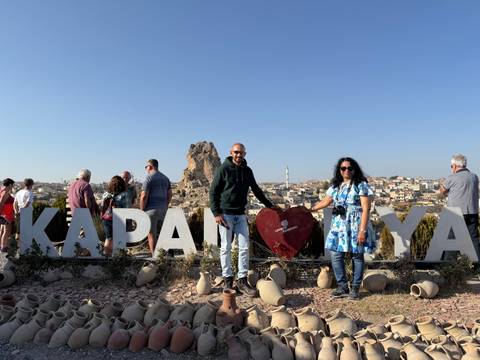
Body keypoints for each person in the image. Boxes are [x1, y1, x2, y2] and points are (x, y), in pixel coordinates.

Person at [209, 143, 276, 297]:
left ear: (245, 154)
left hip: (240, 215)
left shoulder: (247, 171)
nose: (239, 155)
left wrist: (270, 206)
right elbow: (213, 192)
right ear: (231, 153)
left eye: (241, 153)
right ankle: (227, 279)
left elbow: (256, 190)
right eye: (236, 152)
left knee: (244, 247)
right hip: (225, 215)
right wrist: (216, 213)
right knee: (226, 247)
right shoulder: (223, 169)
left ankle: (242, 280)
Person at [310, 157, 375, 300]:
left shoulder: (361, 184)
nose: (346, 171)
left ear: (354, 169)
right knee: (335, 254)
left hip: (356, 223)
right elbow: (326, 201)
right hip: (339, 224)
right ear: (339, 170)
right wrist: (310, 209)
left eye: (349, 168)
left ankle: (355, 288)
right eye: (343, 168)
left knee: (357, 255)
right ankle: (343, 286)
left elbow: (366, 208)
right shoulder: (336, 185)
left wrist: (362, 230)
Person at [439, 154, 479, 257]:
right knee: (473, 240)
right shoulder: (474, 177)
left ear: (455, 165)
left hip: (456, 214)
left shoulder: (452, 177)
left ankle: (449, 266)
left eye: (451, 166)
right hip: (473, 212)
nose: (451, 168)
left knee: (451, 241)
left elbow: (442, 191)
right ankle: (477, 265)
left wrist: (442, 182)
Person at [140, 159, 172, 255]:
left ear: (150, 166)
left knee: (151, 235)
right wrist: (165, 205)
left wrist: (142, 210)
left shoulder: (149, 178)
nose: (146, 169)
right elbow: (170, 194)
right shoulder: (166, 178)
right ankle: (164, 254)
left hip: (151, 210)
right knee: (163, 234)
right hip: (163, 209)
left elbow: (144, 196)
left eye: (146, 167)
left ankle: (154, 256)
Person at [100, 175, 130, 255]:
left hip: (106, 219)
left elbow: (102, 207)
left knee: (108, 238)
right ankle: (117, 257)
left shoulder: (105, 194)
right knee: (119, 239)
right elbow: (127, 208)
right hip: (119, 219)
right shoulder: (125, 195)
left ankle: (106, 255)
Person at [0, 178, 15, 251]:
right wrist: (3, 215)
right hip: (6, 214)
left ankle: (2, 245)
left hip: (5, 213)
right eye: (12, 185)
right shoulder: (5, 192)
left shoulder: (2, 190)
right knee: (7, 231)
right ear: (9, 184)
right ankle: (3, 247)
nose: (13, 186)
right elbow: (1, 203)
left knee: (2, 230)